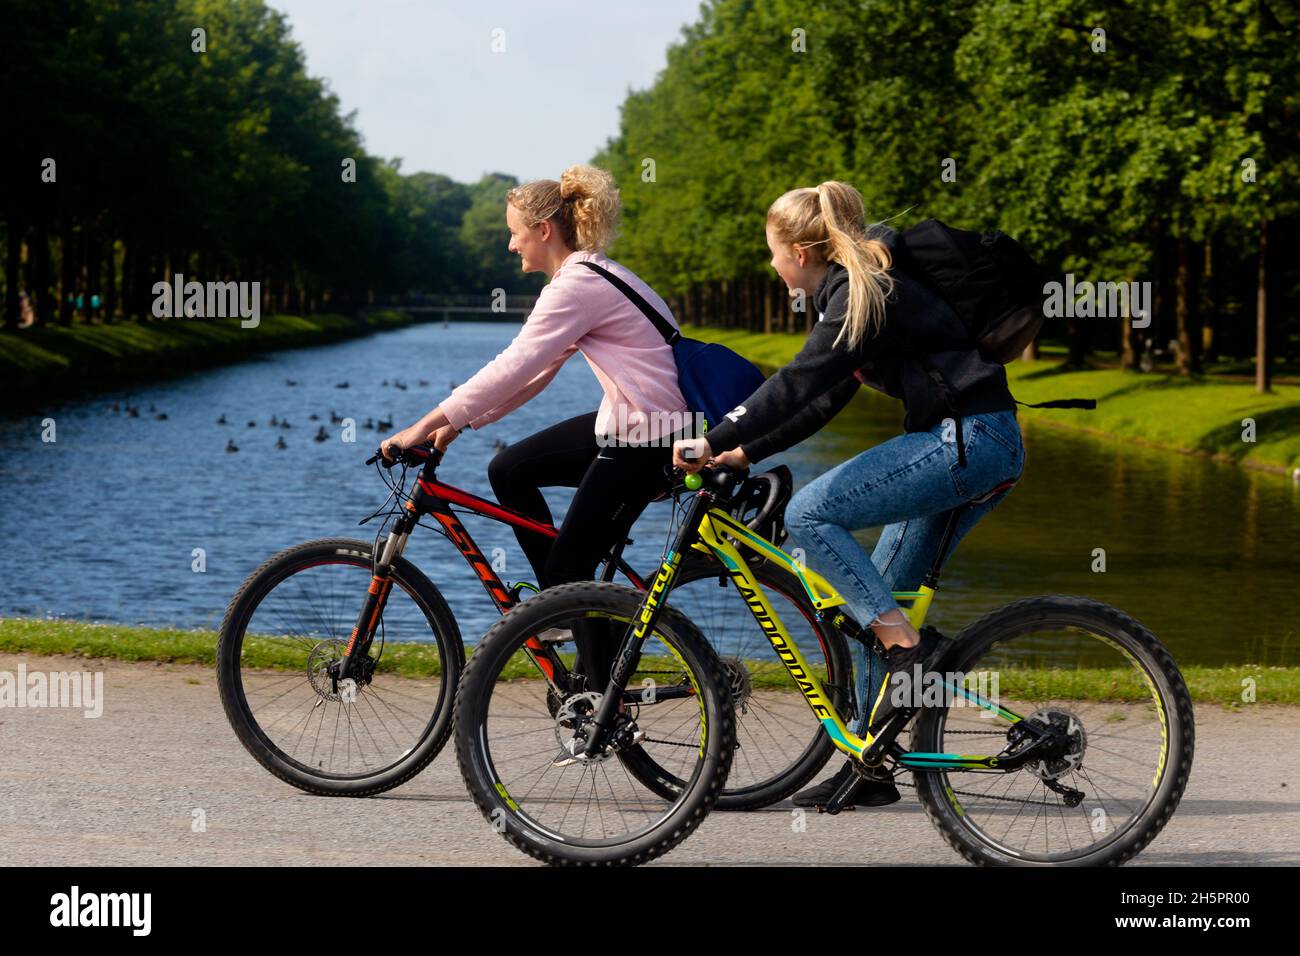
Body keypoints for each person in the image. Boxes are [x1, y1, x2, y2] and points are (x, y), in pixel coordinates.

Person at [672, 181, 1025, 809]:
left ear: (802, 253)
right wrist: (743, 451)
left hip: (965, 442)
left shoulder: (867, 291)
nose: (771, 265)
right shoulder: (858, 289)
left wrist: (714, 434)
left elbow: (801, 375)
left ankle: (917, 653)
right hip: (970, 443)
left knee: (811, 513)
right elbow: (825, 395)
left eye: (772, 252)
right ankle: (873, 767)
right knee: (870, 608)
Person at [382, 164, 692, 686]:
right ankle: (570, 614)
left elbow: (514, 364)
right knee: (510, 468)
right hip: (642, 421)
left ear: (543, 231)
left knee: (567, 571)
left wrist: (422, 424)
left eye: (514, 232)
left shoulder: (575, 287)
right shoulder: (596, 274)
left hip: (649, 436)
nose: (510, 245)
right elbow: (536, 374)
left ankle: (596, 687)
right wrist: (459, 424)